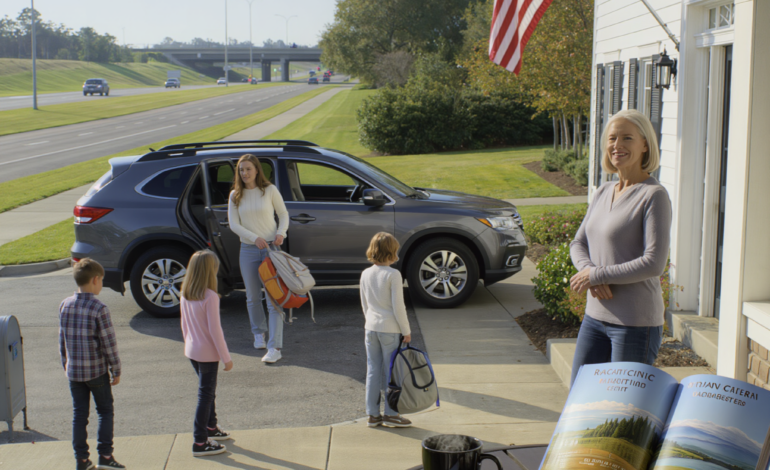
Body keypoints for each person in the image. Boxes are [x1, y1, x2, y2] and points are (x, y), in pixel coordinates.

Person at [569, 109, 672, 386]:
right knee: (579, 401)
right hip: (594, 318)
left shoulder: (654, 195)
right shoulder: (603, 191)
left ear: (645, 145)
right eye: (613, 138)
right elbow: (578, 243)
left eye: (628, 138)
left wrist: (597, 276)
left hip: (635, 324)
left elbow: (654, 262)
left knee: (619, 411)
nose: (618, 145)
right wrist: (590, 271)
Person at [59, 258, 125, 470]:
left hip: (74, 372)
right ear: (96, 279)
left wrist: (65, 363)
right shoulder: (99, 307)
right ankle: (105, 456)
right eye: (102, 281)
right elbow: (108, 343)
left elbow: (62, 340)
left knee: (79, 414)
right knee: (105, 411)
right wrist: (116, 369)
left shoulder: (65, 304)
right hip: (96, 371)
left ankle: (81, 460)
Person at [228, 154, 289, 363]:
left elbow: (283, 214)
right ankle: (258, 333)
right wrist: (255, 238)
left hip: (272, 250)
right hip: (248, 250)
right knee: (253, 297)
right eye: (241, 170)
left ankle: (275, 347)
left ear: (256, 170)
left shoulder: (269, 190)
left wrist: (281, 233)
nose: (244, 173)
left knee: (274, 300)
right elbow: (234, 225)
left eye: (248, 169)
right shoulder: (235, 195)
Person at [180, 250, 233, 457]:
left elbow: (184, 324)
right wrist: (226, 358)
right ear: (211, 271)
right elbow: (215, 331)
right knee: (206, 395)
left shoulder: (185, 292)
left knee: (207, 393)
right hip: (208, 354)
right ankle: (200, 441)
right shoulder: (210, 297)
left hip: (192, 350)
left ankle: (211, 427)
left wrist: (188, 344)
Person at [360, 232, 413, 428]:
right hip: (390, 329)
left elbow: (364, 303)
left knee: (372, 370)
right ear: (391, 251)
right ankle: (391, 413)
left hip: (370, 327)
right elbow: (398, 307)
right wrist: (406, 331)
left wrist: (370, 321)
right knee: (392, 372)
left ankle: (373, 414)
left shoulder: (366, 273)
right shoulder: (393, 275)